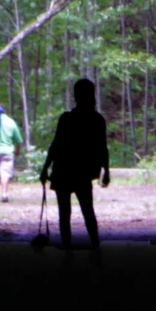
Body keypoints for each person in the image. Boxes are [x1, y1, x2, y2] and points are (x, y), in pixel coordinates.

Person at [38, 78, 111, 249]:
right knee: (88, 211)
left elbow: (55, 145)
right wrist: (105, 170)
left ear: (76, 96)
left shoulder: (67, 118)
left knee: (65, 214)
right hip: (83, 172)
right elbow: (102, 147)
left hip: (63, 170)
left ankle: (68, 250)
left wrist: (45, 168)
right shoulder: (97, 120)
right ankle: (95, 246)